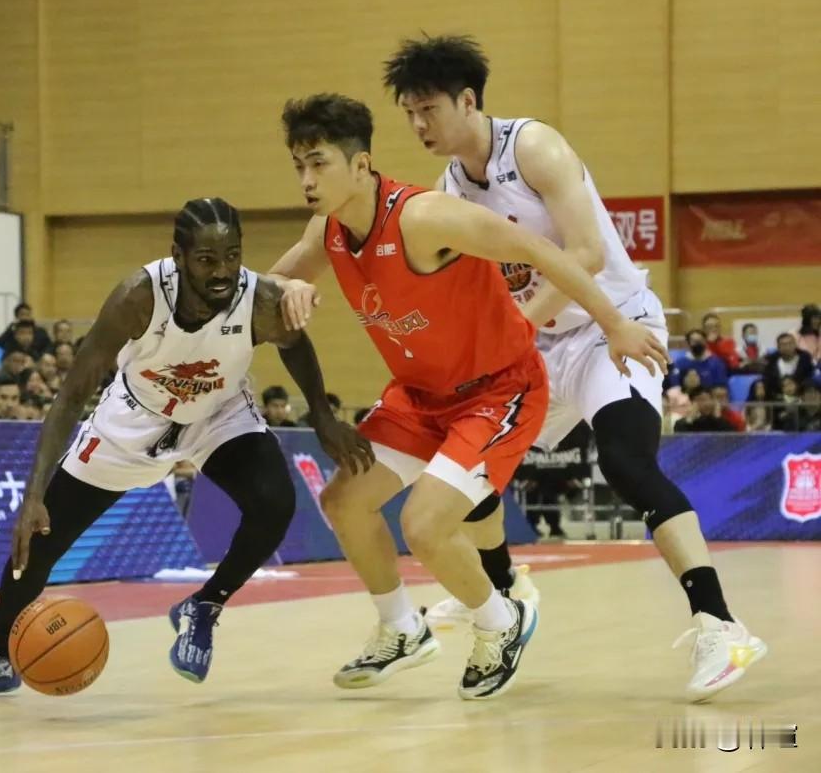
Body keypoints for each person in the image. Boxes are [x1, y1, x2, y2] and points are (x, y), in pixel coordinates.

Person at [378, 33, 766, 700]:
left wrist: (519, 326)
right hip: (535, 348)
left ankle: (720, 624)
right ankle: (505, 585)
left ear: (467, 101)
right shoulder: (450, 188)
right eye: (409, 113)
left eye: (428, 109)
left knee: (626, 461)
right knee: (469, 462)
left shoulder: (534, 148)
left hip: (610, 328)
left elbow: (585, 252)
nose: (418, 125)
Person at [271, 93, 666, 700]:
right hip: (420, 396)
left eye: (318, 163)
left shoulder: (425, 217)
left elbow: (541, 250)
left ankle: (502, 622)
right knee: (345, 500)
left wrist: (614, 323)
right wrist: (282, 290)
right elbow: (276, 278)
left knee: (425, 525)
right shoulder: (327, 232)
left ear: (360, 164)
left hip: (498, 390)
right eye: (299, 165)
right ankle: (401, 629)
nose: (305, 179)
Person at [0, 197, 372, 700]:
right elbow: (72, 394)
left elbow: (294, 344)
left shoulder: (259, 299)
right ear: (179, 256)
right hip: (134, 418)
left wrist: (322, 415)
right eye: (207, 259)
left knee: (275, 503)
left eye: (232, 256)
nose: (222, 271)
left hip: (217, 413)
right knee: (41, 538)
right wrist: (34, 492)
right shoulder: (138, 297)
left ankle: (203, 606)